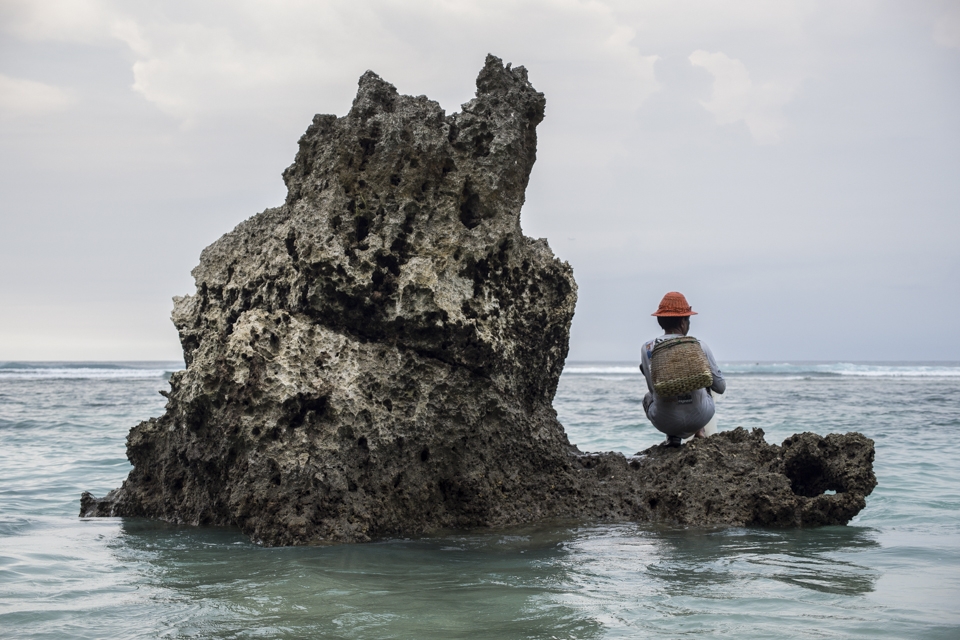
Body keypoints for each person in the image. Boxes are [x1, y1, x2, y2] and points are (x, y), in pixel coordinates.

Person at [640, 292, 725, 447]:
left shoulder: (647, 348)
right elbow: (720, 387)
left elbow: (653, 391)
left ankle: (672, 438)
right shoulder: (699, 345)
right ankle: (700, 431)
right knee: (707, 384)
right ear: (683, 322)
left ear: (660, 321)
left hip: (665, 422)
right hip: (700, 417)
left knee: (648, 397)